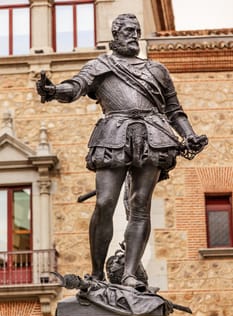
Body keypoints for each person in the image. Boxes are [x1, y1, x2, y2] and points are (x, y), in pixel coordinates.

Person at [37, 13, 207, 291]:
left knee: (140, 205)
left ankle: (129, 273)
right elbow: (75, 87)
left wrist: (189, 135)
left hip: (153, 134)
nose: (134, 35)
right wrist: (53, 90)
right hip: (113, 133)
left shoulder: (157, 70)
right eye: (128, 30)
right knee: (105, 202)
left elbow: (174, 110)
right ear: (115, 34)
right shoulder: (100, 65)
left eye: (137, 31)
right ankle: (96, 273)